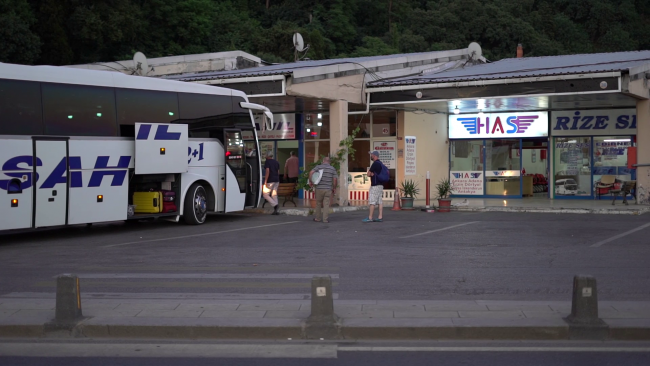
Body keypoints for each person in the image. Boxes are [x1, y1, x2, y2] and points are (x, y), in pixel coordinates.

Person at [309, 156, 338, 223]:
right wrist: (334, 188)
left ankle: (318, 218)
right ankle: (325, 219)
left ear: (323, 161)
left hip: (319, 188)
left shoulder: (318, 167)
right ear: (329, 162)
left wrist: (311, 181)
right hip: (328, 189)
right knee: (326, 204)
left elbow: (311, 172)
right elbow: (335, 179)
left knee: (318, 203)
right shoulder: (332, 169)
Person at [364, 150, 384, 222]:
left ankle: (370, 217)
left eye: (371, 155)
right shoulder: (381, 163)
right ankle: (380, 216)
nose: (371, 156)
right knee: (379, 201)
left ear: (374, 156)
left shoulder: (375, 164)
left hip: (375, 185)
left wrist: (370, 173)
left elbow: (368, 174)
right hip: (380, 185)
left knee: (372, 201)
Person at [263, 150, 280, 215]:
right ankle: (276, 210)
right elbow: (278, 172)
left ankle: (275, 205)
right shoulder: (276, 162)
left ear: (267, 156)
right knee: (274, 194)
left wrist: (265, 181)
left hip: (270, 180)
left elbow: (267, 171)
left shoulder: (267, 162)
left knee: (265, 194)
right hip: (276, 180)